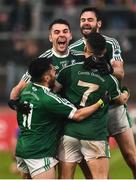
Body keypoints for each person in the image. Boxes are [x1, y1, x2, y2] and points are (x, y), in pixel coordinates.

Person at [69, 7, 136, 178]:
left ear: (99, 23)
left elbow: (120, 72)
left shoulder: (111, 43)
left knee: (131, 157)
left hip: (114, 106)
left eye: (90, 20)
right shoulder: (73, 49)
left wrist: (106, 68)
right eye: (83, 20)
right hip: (92, 112)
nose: (86, 23)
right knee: (97, 169)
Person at [14, 57, 107, 179]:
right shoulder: (48, 99)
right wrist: (100, 102)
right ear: (46, 78)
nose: (56, 74)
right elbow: (78, 115)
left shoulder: (26, 90)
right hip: (39, 153)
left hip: (22, 150)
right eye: (53, 71)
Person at [56, 32, 129, 179]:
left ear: (85, 50)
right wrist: (126, 92)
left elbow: (54, 91)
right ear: (103, 52)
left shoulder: (68, 71)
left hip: (69, 134)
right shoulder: (109, 79)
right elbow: (119, 100)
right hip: (94, 135)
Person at [10, 18, 83, 100]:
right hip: (53, 109)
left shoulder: (81, 57)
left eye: (65, 32)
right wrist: (15, 101)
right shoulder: (42, 62)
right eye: (57, 32)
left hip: (78, 109)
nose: (61, 35)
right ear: (50, 38)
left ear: (70, 36)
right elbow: (19, 88)